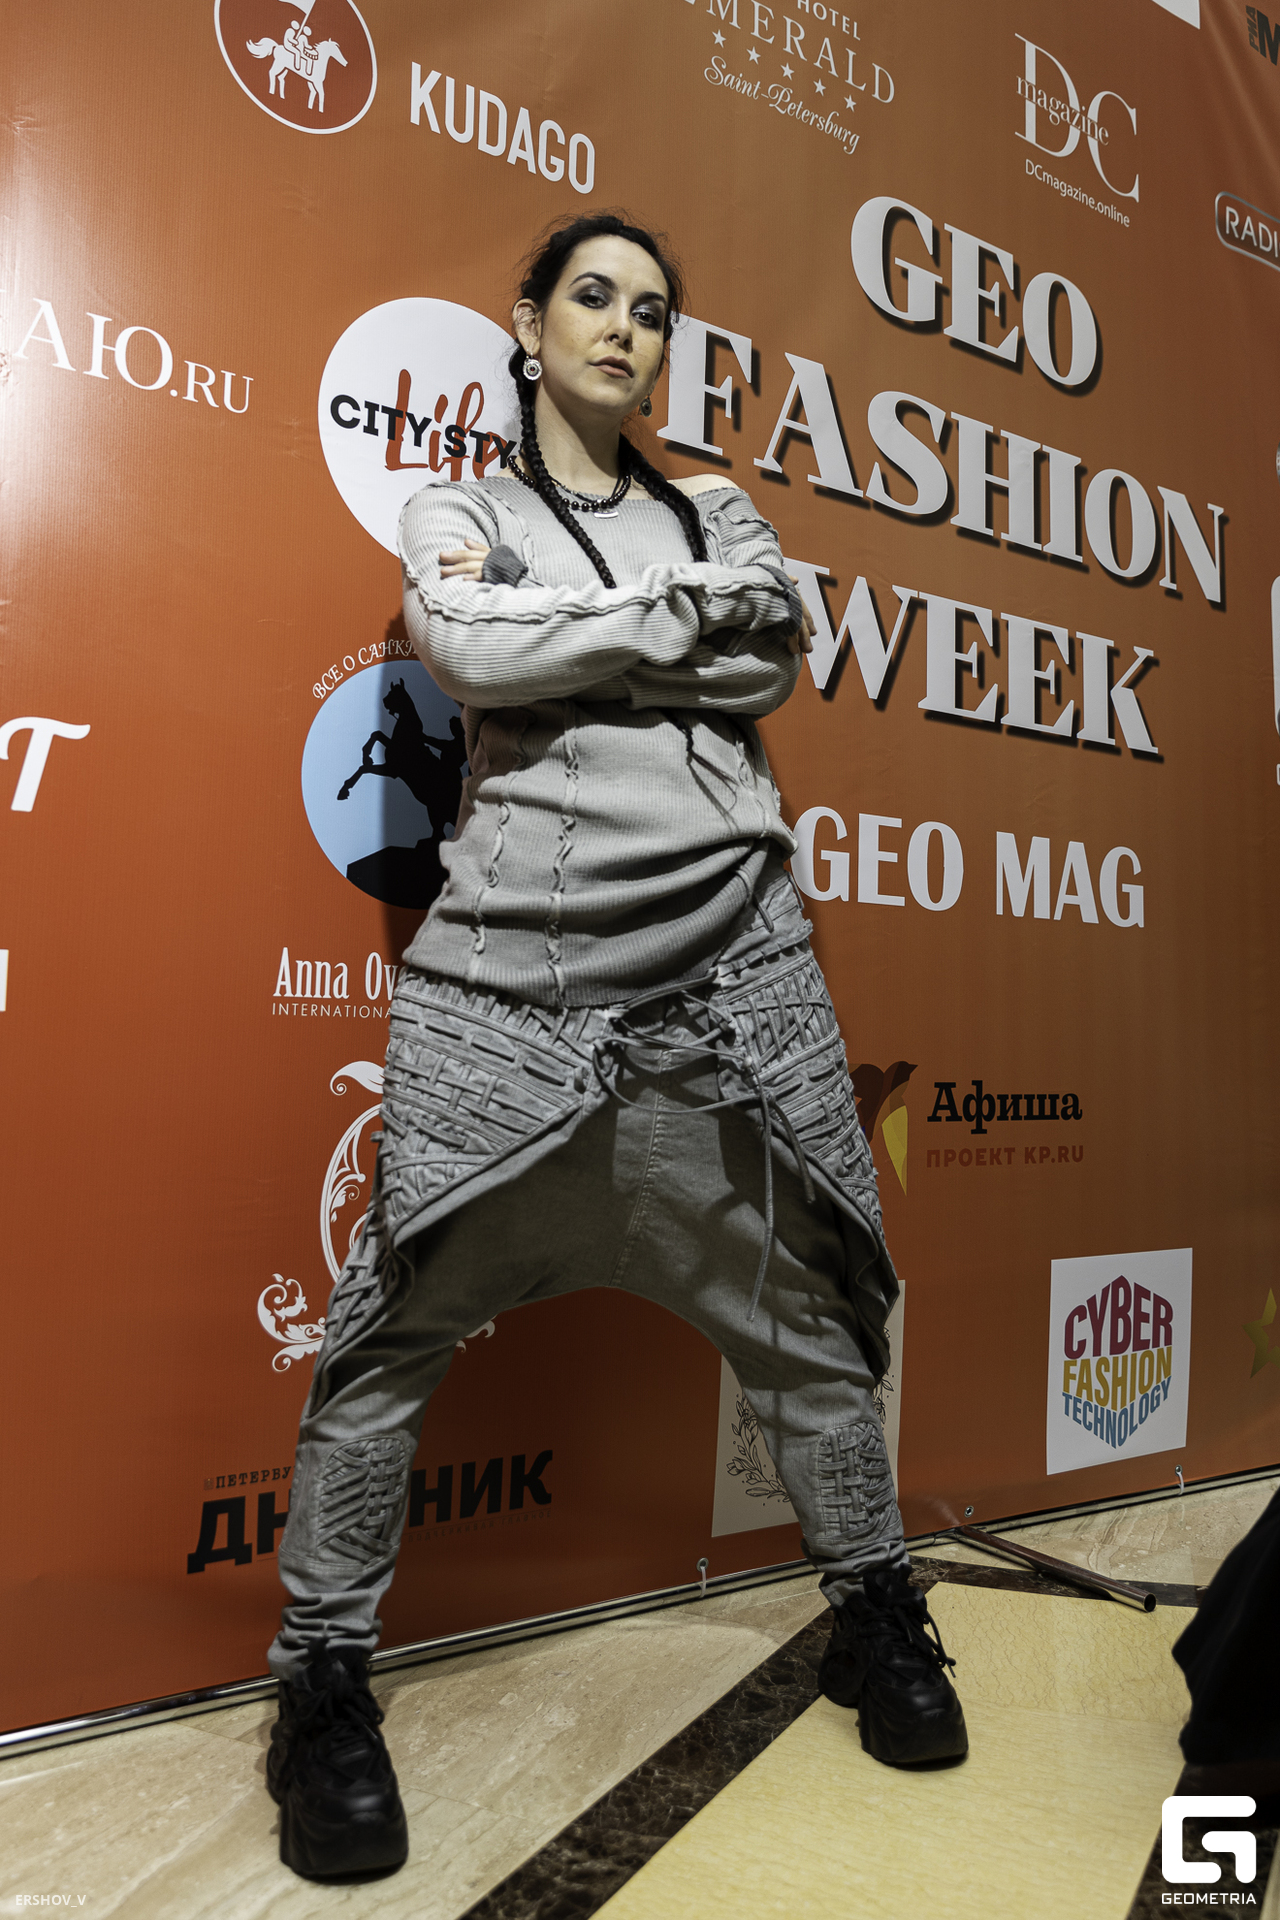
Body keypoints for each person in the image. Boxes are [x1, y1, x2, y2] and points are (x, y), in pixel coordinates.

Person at [264, 211, 968, 1882]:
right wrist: (674, 625)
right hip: (516, 996)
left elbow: (772, 652)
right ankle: (320, 1686)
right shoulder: (463, 511)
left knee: (812, 1329)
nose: (625, 330)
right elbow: (474, 647)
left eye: (653, 312)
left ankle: (874, 1610)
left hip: (733, 985)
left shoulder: (714, 503)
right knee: (386, 1338)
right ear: (526, 324)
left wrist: (606, 623)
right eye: (593, 297)